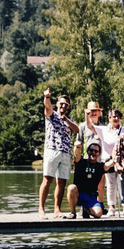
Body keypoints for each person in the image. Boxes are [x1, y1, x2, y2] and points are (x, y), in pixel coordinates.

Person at [38, 89, 80, 219]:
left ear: (68, 107)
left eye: (66, 104)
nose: (63, 106)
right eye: (61, 103)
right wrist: (47, 97)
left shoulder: (70, 120)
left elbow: (77, 130)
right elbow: (47, 107)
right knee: (47, 179)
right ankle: (41, 209)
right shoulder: (52, 115)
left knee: (61, 182)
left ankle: (57, 210)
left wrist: (66, 119)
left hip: (65, 153)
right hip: (52, 150)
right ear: (57, 104)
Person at [66, 142, 111, 218]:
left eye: (96, 151)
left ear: (99, 154)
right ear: (87, 151)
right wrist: (77, 146)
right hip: (78, 195)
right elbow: (77, 154)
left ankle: (86, 209)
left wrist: (115, 160)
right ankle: (73, 212)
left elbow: (108, 165)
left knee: (98, 213)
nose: (93, 152)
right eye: (91, 150)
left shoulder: (100, 166)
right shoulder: (80, 162)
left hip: (90, 197)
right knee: (71, 187)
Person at [99, 108, 124, 217]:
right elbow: (91, 126)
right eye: (114, 116)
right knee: (110, 185)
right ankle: (111, 207)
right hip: (108, 160)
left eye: (118, 117)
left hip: (121, 160)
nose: (116, 118)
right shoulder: (104, 130)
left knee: (122, 184)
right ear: (109, 118)